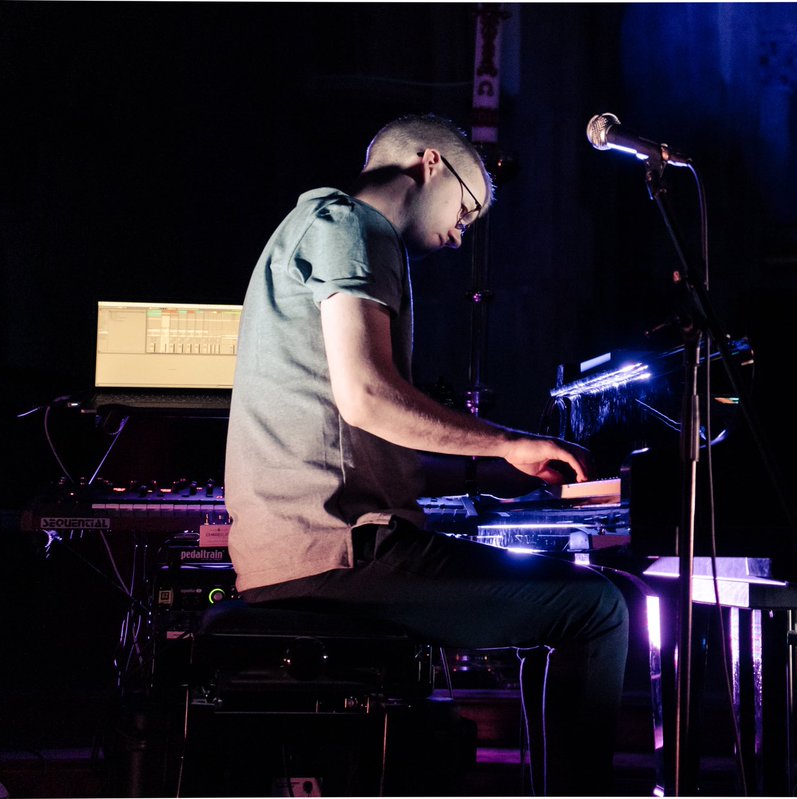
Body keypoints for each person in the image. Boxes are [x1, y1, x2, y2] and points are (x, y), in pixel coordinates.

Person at [223, 113, 630, 795]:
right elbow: (368, 398)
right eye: (469, 206)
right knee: (599, 607)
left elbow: (355, 430)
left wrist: (495, 472)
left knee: (571, 603)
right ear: (429, 163)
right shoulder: (350, 225)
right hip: (339, 559)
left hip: (305, 552)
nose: (464, 229)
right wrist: (509, 440)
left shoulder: (313, 228)